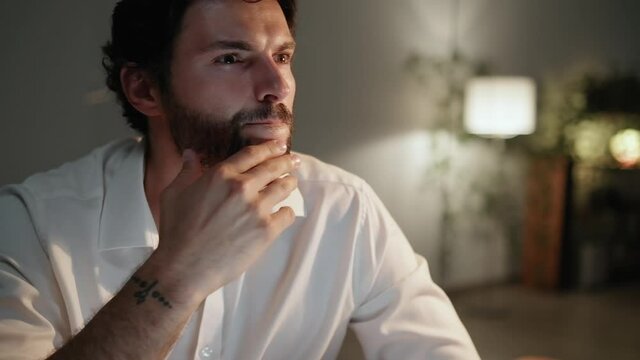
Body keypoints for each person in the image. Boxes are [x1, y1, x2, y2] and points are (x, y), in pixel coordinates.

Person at [0, 0, 479, 359]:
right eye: (231, 58)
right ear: (145, 89)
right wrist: (179, 272)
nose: (276, 86)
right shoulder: (28, 227)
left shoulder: (343, 206)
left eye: (284, 56)